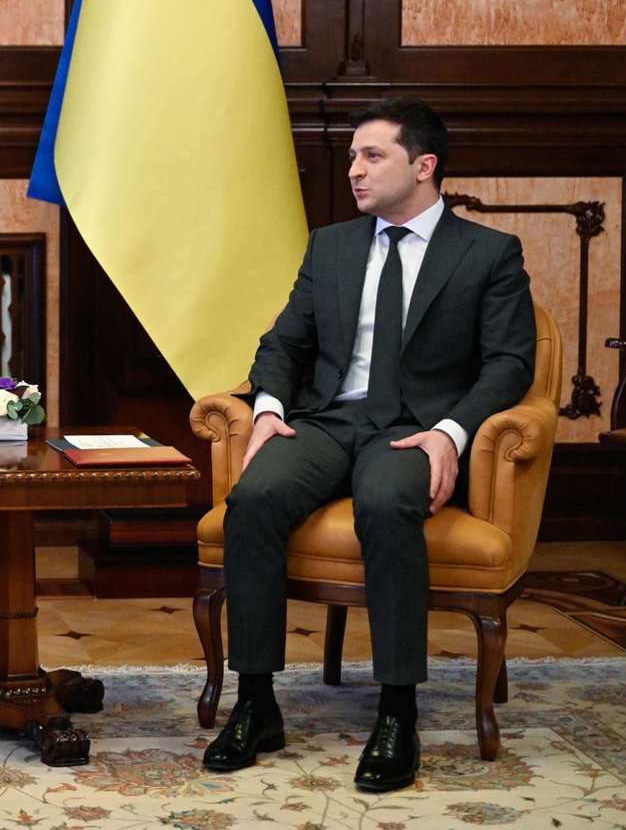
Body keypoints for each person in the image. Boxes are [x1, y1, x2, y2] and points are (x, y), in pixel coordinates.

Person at [203, 97, 536, 792]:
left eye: (372, 155)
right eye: (354, 156)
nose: (354, 169)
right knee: (254, 498)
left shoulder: (488, 253)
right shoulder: (332, 245)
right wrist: (267, 410)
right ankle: (256, 703)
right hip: (328, 420)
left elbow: (509, 364)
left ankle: (397, 712)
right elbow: (283, 344)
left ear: (424, 166)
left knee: (385, 506)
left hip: (414, 429)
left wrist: (451, 433)